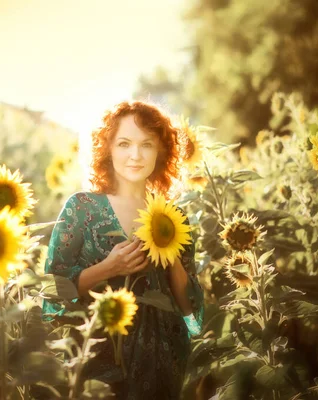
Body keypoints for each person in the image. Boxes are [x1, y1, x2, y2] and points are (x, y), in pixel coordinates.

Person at [42, 100, 204, 399]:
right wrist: (108, 268)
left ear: (161, 152)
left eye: (147, 145)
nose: (135, 155)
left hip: (163, 364)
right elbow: (51, 291)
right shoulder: (81, 208)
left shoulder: (173, 218)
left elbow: (190, 312)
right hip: (96, 362)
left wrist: (171, 256)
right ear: (107, 149)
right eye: (124, 143)